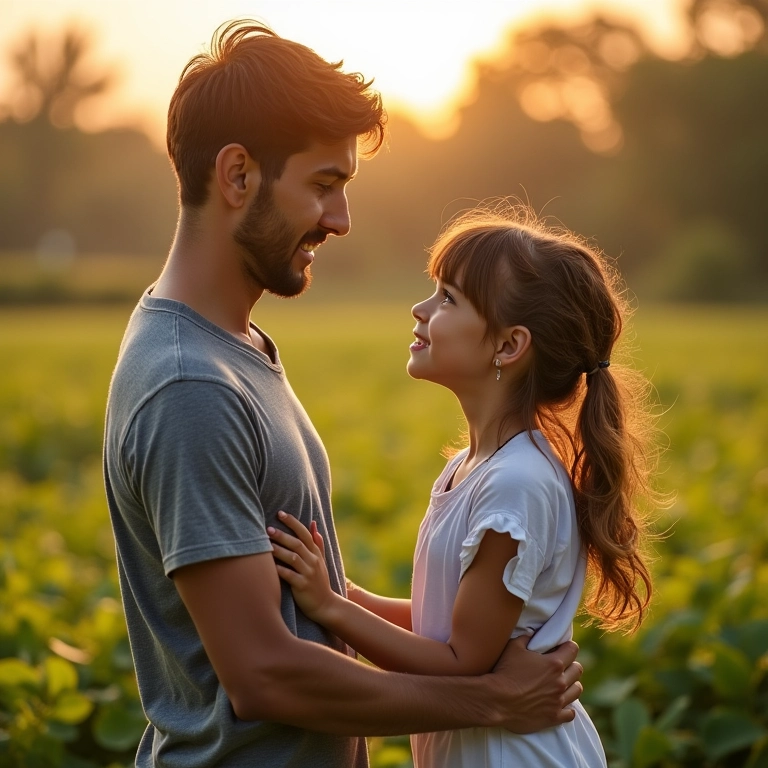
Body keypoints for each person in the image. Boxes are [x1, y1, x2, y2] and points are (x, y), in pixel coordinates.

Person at [103, 21, 583, 768]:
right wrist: (493, 700)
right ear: (237, 175)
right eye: (323, 185)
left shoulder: (239, 351)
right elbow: (264, 675)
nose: (341, 220)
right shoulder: (189, 382)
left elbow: (294, 616)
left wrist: (339, 600)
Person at [269, 205, 659, 767]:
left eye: (448, 298)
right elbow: (444, 624)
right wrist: (349, 597)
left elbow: (459, 660)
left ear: (507, 346)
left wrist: (330, 608)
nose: (421, 309)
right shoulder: (475, 467)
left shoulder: (516, 485)